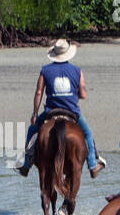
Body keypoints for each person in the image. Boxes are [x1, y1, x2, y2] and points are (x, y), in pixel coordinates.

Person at [12, 39, 106, 178]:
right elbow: (83, 94)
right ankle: (92, 166)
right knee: (87, 134)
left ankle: (26, 165)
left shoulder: (45, 70)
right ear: (68, 54)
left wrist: (35, 113)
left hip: (51, 112)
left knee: (32, 130)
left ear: (54, 54)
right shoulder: (77, 71)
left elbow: (39, 92)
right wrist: (72, 95)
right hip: (72, 112)